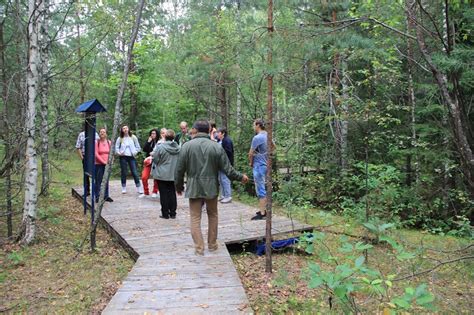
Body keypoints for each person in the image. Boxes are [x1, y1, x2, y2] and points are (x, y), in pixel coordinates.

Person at [175, 119, 249, 256]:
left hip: (194, 186)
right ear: (209, 130)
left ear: (195, 130)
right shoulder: (216, 147)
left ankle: (199, 248)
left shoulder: (187, 146)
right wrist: (241, 177)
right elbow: (228, 170)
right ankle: (212, 245)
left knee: (195, 217)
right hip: (211, 187)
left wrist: (178, 186)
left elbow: (179, 170)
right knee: (213, 215)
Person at [151, 129, 180, 219]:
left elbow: (155, 159)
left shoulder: (160, 147)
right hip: (173, 174)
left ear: (165, 137)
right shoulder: (178, 148)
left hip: (162, 174)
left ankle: (165, 213)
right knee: (172, 193)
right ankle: (173, 213)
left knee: (163, 194)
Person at [248, 118, 270, 220]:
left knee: (260, 188)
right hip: (265, 164)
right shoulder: (267, 135)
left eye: (253, 125)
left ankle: (262, 213)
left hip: (258, 165)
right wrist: (265, 155)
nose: (253, 127)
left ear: (258, 125)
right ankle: (263, 209)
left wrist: (251, 163)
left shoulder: (257, 138)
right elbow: (273, 147)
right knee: (262, 186)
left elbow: (251, 153)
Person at [115, 125, 143, 194]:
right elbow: (116, 147)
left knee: (134, 172)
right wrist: (119, 153)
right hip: (123, 157)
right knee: (124, 172)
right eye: (123, 128)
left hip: (131, 157)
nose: (125, 129)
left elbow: (138, 147)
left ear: (128, 129)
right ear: (122, 130)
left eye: (126, 128)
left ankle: (139, 187)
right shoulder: (120, 138)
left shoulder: (133, 137)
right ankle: (123, 187)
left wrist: (135, 152)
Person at [75, 129, 99, 196]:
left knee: (95, 174)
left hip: (94, 156)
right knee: (86, 174)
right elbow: (78, 147)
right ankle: (87, 191)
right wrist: (82, 157)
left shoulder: (96, 134)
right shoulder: (81, 134)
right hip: (85, 156)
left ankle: (96, 191)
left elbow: (98, 145)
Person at [94, 127, 113, 202]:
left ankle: (106, 196)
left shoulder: (109, 142)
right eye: (101, 132)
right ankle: (97, 196)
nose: (102, 133)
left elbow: (111, 153)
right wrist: (103, 162)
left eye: (103, 132)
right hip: (99, 164)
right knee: (98, 180)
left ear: (106, 134)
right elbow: (96, 154)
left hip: (107, 164)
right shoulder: (96, 142)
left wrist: (111, 161)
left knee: (106, 180)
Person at [217, 127, 234, 203]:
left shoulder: (227, 141)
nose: (217, 134)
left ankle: (228, 196)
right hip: (220, 163)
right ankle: (223, 195)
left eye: (219, 133)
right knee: (221, 179)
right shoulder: (219, 140)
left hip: (226, 163)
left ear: (223, 133)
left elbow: (229, 152)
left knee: (225, 179)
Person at [140, 128, 159, 198]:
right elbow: (144, 149)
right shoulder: (149, 141)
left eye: (154, 133)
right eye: (151, 133)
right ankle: (146, 192)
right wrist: (148, 142)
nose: (153, 135)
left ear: (157, 134)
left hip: (156, 161)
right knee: (144, 177)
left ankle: (155, 191)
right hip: (148, 161)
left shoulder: (159, 142)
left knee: (156, 177)